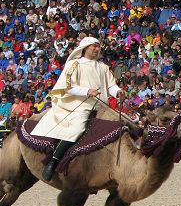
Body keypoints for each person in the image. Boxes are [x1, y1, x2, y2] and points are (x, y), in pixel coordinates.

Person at [31, 36, 124, 181]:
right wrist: (87, 91)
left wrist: (117, 91)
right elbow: (67, 87)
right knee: (77, 128)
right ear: (85, 47)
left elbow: (110, 85)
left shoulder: (103, 67)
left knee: (125, 123)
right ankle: (53, 162)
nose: (97, 49)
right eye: (94, 46)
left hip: (101, 106)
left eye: (99, 46)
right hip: (81, 106)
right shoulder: (75, 64)